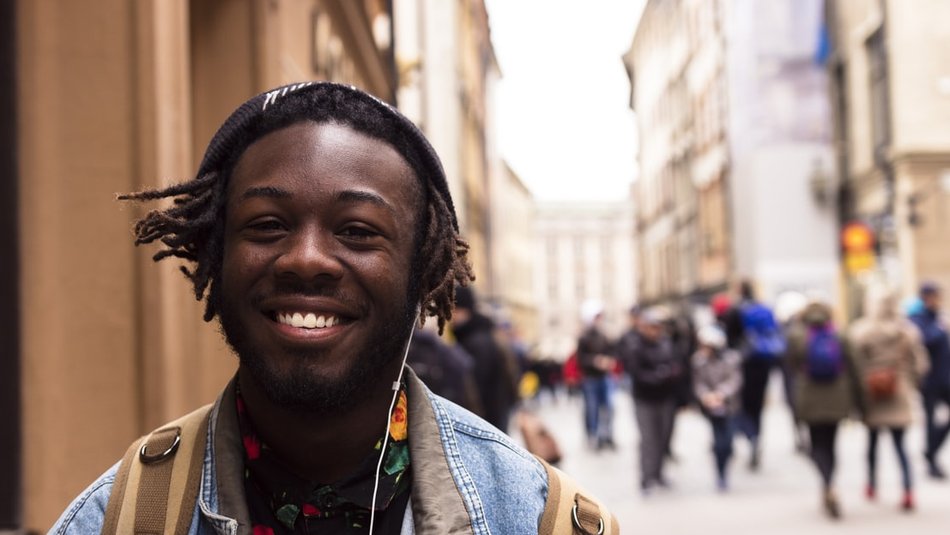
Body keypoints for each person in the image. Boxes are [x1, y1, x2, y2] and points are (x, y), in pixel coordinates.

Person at [51, 82, 615, 534]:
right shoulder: (117, 520)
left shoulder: (539, 520)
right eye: (268, 224)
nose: (306, 259)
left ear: (422, 269)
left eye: (357, 231)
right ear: (216, 254)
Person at [850, 284, 929, 512]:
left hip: (872, 392)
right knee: (900, 446)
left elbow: (855, 364)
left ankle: (872, 485)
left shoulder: (862, 331)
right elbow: (921, 364)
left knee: (872, 444)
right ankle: (907, 490)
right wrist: (909, 383)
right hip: (899, 391)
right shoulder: (907, 331)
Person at [786, 299, 859, 519]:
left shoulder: (797, 336)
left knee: (816, 444)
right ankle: (830, 485)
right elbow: (854, 368)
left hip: (810, 397)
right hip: (837, 397)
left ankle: (826, 483)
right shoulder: (840, 334)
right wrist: (860, 403)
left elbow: (791, 368)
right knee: (831, 444)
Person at [621, 310, 683, 494]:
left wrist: (668, 373)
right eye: (652, 327)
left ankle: (659, 473)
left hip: (665, 397)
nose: (655, 331)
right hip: (645, 398)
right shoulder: (636, 346)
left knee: (664, 436)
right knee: (649, 439)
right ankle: (647, 477)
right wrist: (657, 376)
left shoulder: (666, 344)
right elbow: (636, 373)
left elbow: (676, 365)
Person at [730, 280, 786, 470]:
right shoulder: (765, 309)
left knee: (744, 406)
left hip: (744, 365)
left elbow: (731, 340)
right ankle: (757, 438)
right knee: (758, 406)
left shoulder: (737, 311)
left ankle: (751, 436)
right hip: (764, 364)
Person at [450, 285, 521, 434]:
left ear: (466, 310)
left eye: (455, 310)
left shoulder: (475, 341)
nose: (452, 316)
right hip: (497, 413)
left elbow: (476, 386)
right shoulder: (485, 333)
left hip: (486, 417)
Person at [692, 325, 742, 492]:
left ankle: (725, 465)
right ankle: (720, 473)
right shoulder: (699, 361)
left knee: (727, 441)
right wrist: (706, 396)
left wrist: (721, 394)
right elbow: (698, 383)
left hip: (728, 405)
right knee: (718, 442)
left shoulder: (731, 359)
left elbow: (735, 380)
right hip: (711, 407)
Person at [908, 281, 950, 479]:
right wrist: (940, 329)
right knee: (930, 421)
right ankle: (931, 460)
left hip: (945, 378)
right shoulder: (917, 319)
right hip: (928, 380)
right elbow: (922, 341)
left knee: (939, 422)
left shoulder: (937, 317)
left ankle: (931, 451)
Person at [576, 300, 618, 450]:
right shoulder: (584, 337)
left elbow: (612, 353)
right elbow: (580, 360)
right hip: (590, 378)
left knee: (608, 408)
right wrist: (595, 361)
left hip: (604, 377)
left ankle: (606, 435)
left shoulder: (604, 335)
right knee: (591, 409)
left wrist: (609, 361)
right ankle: (592, 436)